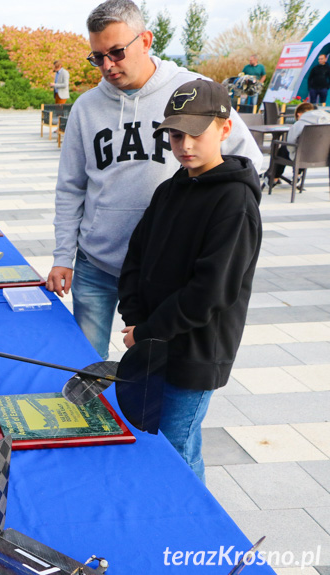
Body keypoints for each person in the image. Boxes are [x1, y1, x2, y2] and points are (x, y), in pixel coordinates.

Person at [45, 0, 262, 361]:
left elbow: (247, 161)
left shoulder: (193, 91)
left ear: (145, 41)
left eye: (116, 52)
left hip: (165, 268)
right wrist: (62, 255)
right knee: (85, 366)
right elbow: (70, 186)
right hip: (95, 261)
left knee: (154, 372)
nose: (107, 65)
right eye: (97, 57)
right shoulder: (86, 107)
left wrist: (218, 228)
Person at [119, 79, 262, 482]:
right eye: (176, 135)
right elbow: (137, 256)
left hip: (195, 353)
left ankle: (197, 533)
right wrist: (134, 317)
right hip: (152, 345)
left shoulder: (235, 202)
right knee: (153, 440)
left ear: (224, 128)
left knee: (177, 450)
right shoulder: (170, 189)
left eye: (196, 133)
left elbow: (210, 292)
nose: (185, 145)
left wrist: (148, 330)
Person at [262, 101, 330, 190]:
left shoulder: (299, 124)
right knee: (302, 150)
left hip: (301, 157)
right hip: (323, 157)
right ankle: (297, 175)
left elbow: (290, 145)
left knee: (284, 149)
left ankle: (274, 178)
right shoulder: (327, 123)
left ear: (299, 114)